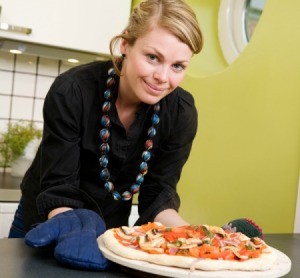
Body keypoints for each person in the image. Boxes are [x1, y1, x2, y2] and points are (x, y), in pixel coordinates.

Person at [8, 0, 262, 271]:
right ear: (125, 45)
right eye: (153, 57)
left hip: (109, 231)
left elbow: (158, 196)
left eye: (178, 66)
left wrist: (196, 238)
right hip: (47, 222)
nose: (162, 77)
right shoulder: (73, 91)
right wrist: (73, 228)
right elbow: (59, 188)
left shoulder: (180, 112)